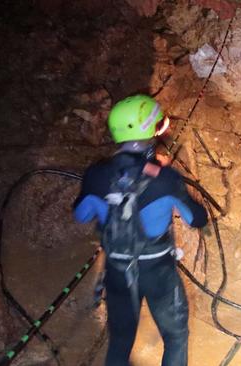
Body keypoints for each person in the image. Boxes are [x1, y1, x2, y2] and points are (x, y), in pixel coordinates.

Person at [73, 95, 207, 366]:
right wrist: (171, 183)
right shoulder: (166, 179)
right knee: (175, 336)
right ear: (149, 130)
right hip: (158, 271)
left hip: (118, 271)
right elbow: (197, 219)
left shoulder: (95, 175)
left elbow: (81, 214)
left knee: (120, 341)